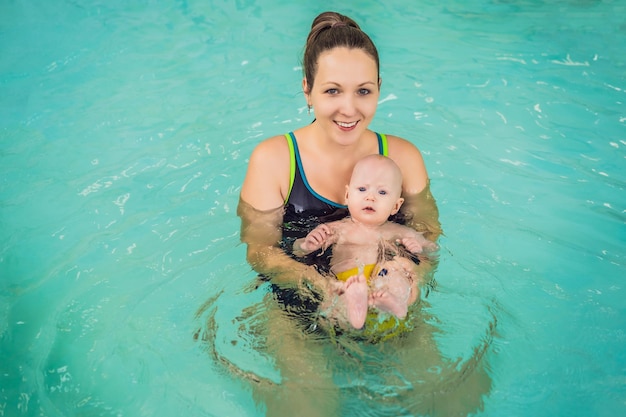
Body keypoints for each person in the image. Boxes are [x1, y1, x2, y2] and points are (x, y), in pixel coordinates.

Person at [234, 11, 493, 417]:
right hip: (297, 302)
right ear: (307, 90)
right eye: (333, 91)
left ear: (379, 90)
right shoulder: (274, 159)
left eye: (364, 91)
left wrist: (409, 280)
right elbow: (260, 251)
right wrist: (319, 286)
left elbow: (428, 234)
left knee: (450, 399)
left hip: (388, 297)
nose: (349, 109)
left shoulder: (403, 157)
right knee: (311, 407)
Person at [292, 154, 438, 330]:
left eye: (382, 192)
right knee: (334, 291)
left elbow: (433, 250)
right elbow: (297, 250)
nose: (370, 197)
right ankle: (355, 309)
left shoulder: (397, 231)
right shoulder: (337, 228)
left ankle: (394, 303)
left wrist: (419, 248)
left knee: (397, 269)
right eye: (362, 189)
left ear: (396, 206)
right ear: (347, 195)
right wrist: (307, 244)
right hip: (349, 281)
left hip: (382, 283)